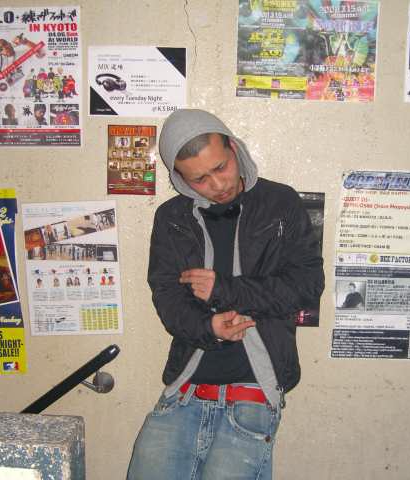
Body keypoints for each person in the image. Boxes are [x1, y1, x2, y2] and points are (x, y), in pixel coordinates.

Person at [127, 109, 324, 479]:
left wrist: (225, 289)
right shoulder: (172, 217)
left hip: (252, 392)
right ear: (179, 178)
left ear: (234, 148)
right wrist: (210, 328)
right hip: (185, 389)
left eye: (221, 167)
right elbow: (167, 298)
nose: (217, 184)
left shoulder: (280, 203)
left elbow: (307, 284)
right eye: (199, 179)